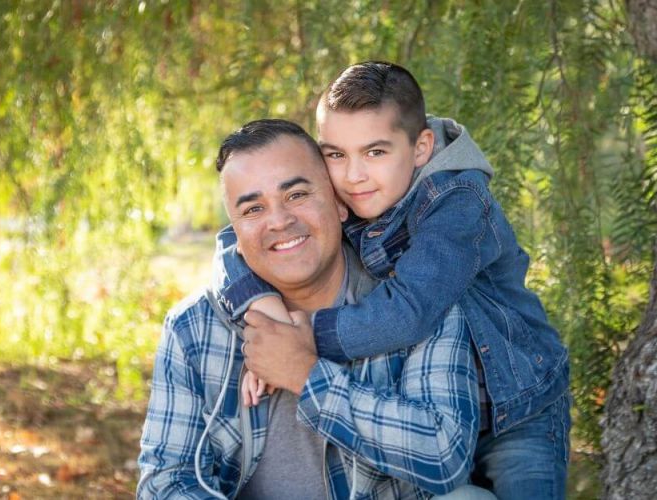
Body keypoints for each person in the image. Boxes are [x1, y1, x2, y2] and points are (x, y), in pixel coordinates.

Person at [212, 62, 571, 499]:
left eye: (375, 152)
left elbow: (408, 312)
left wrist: (303, 339)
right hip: (438, 403)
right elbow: (238, 238)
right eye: (336, 154)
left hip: (517, 407)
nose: (353, 175)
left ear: (421, 148)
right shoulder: (360, 188)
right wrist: (261, 306)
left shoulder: (457, 203)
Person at [138, 119, 496, 499]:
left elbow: (445, 458)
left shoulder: (414, 303)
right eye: (253, 209)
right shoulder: (193, 327)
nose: (279, 221)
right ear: (235, 233)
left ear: (340, 203)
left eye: (296, 195)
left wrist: (306, 376)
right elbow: (165, 484)